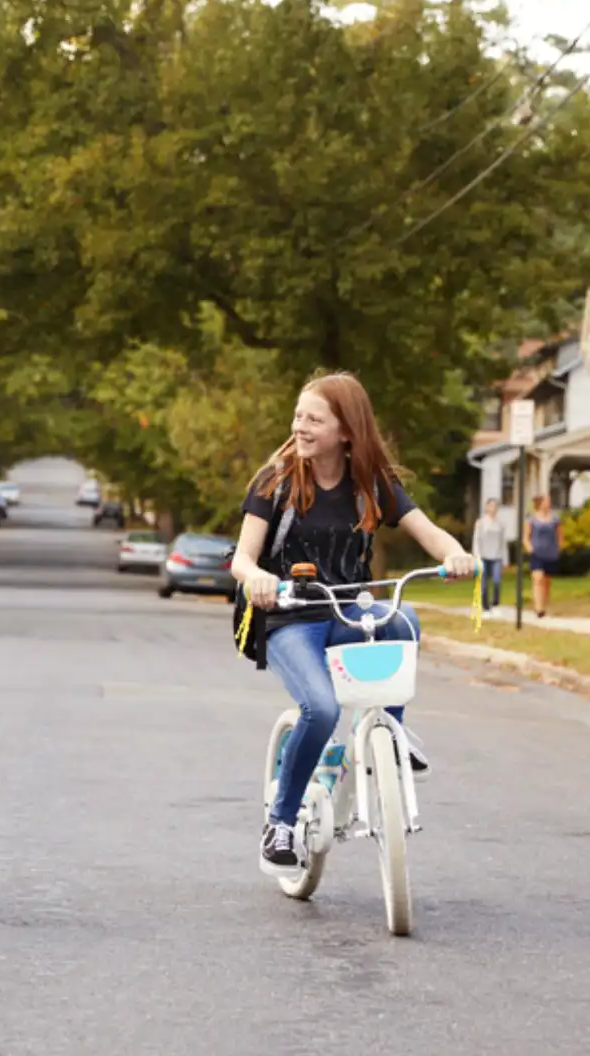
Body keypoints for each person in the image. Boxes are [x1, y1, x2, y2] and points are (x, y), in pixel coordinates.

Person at [229, 372, 476, 878]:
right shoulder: (275, 481)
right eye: (298, 416)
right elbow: (242, 560)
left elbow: (429, 533)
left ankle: (391, 733)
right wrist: (257, 580)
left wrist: (456, 555)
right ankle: (280, 823)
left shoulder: (372, 484)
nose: (300, 426)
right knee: (319, 708)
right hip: (288, 618)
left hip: (346, 610)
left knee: (402, 619)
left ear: (346, 431)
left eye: (314, 419)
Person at [523, 493, 561, 618]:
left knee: (547, 581)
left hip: (550, 552)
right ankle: (538, 607)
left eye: (549, 501)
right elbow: (526, 536)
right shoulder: (532, 519)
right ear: (540, 503)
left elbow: (560, 535)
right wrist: (529, 547)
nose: (548, 503)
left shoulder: (555, 519)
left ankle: (544, 605)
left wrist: (558, 548)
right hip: (537, 552)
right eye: (546, 501)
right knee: (537, 578)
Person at [472, 498, 506, 613]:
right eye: (491, 506)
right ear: (486, 508)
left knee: (497, 580)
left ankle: (495, 601)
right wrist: (477, 556)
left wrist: (505, 559)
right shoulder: (481, 523)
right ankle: (485, 604)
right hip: (483, 556)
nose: (493, 508)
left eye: (495, 506)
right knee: (484, 582)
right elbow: (476, 540)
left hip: (496, 556)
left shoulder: (500, 524)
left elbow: (503, 542)